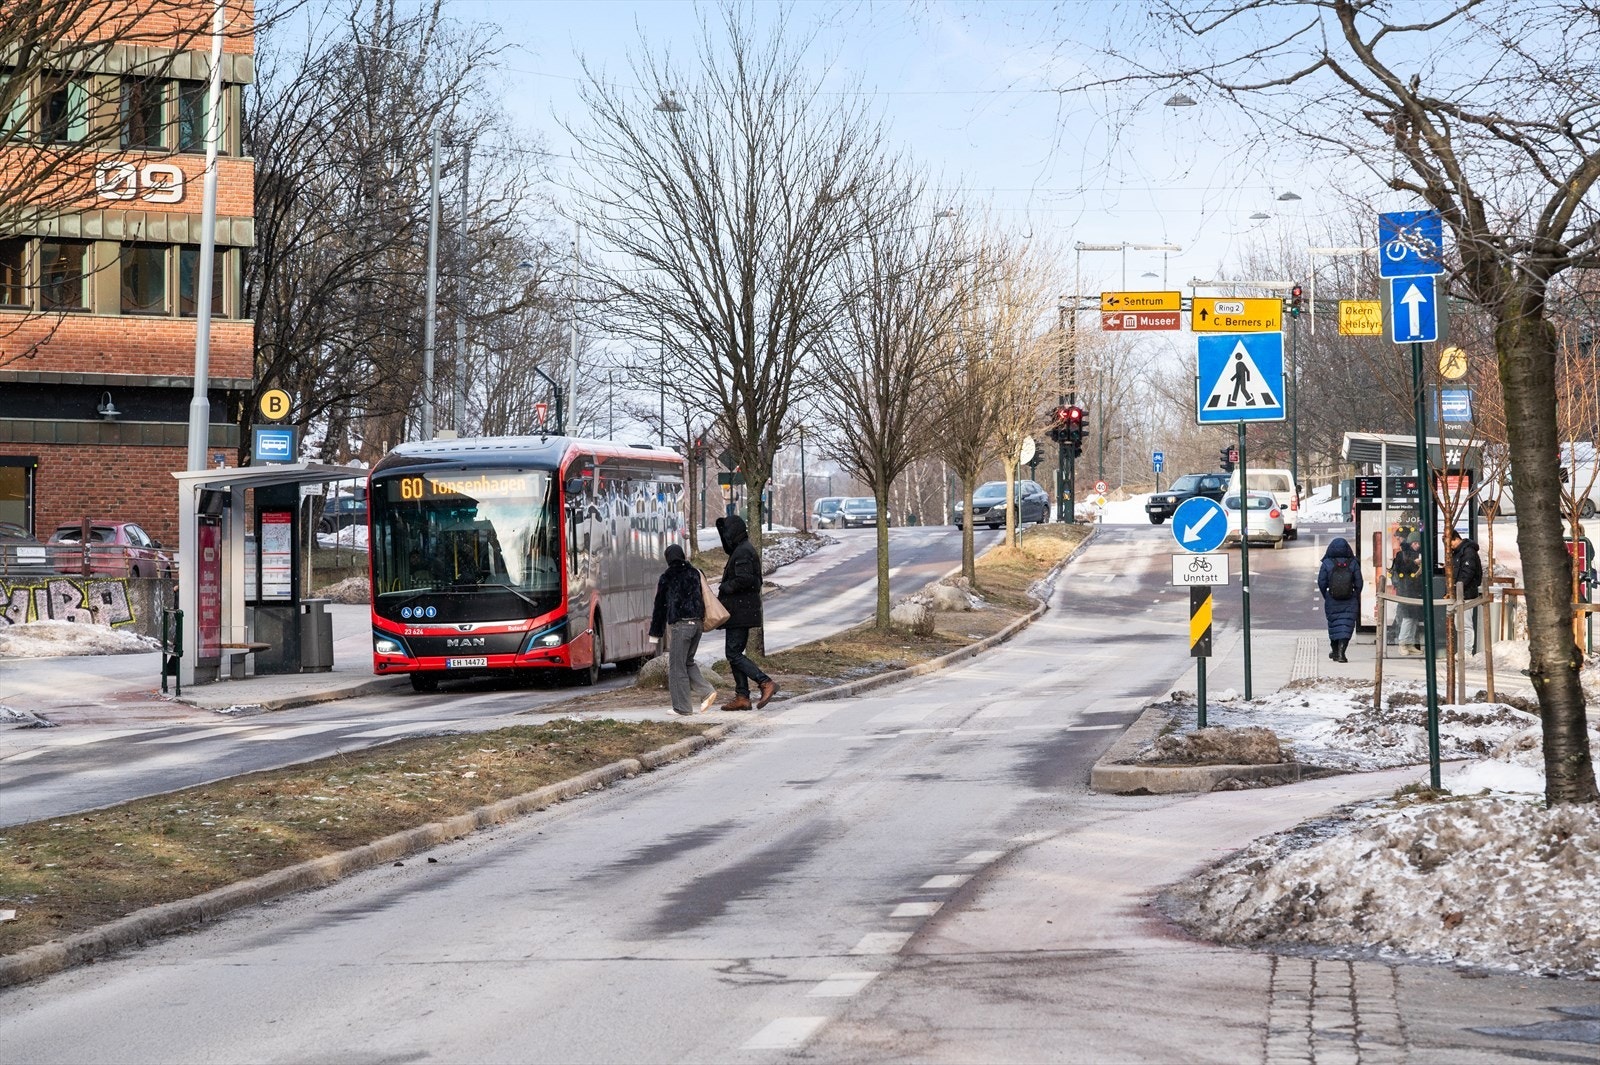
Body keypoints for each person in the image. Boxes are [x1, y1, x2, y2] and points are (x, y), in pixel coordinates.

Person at [716, 514, 777, 710]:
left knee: (733, 653)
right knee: (734, 653)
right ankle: (742, 696)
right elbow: (729, 549)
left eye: (727, 532)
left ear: (734, 532)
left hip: (740, 609)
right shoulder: (740, 549)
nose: (726, 537)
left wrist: (726, 587)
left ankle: (765, 682)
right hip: (739, 609)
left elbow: (746, 579)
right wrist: (720, 529)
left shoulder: (743, 552)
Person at [648, 544, 716, 716]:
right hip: (698, 625)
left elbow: (660, 607)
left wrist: (655, 633)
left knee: (676, 667)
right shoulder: (695, 572)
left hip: (681, 626)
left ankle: (682, 707)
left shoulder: (668, 577)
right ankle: (707, 691)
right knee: (688, 662)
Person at [1317, 536, 1363, 663]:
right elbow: (1359, 582)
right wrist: (1355, 594)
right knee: (1346, 626)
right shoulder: (1353, 563)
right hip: (1350, 600)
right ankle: (1342, 653)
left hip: (1332, 599)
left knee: (1334, 625)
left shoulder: (1327, 563)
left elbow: (1321, 582)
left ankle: (1335, 651)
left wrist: (1326, 595)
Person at [1447, 528, 1484, 654]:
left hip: (1466, 593)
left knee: (1465, 624)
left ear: (1456, 539)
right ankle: (1463, 650)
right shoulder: (1459, 552)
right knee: (1460, 624)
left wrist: (1457, 587)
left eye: (1450, 543)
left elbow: (1467, 573)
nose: (1450, 547)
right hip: (1461, 592)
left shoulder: (1467, 552)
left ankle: (1467, 651)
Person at [1389, 530, 1424, 655]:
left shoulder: (1421, 554)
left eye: (1418, 543)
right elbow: (1400, 570)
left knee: (1414, 618)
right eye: (1414, 543)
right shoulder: (1401, 555)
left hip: (1417, 590)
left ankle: (1410, 643)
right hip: (1406, 590)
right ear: (1410, 543)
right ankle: (1402, 642)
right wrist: (1413, 564)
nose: (1416, 546)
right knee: (1408, 617)